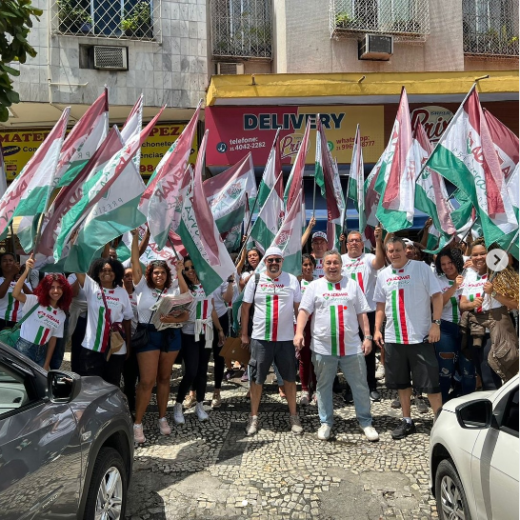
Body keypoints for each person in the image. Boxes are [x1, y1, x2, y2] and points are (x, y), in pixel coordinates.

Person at [294, 250, 379, 442]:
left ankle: (365, 422)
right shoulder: (314, 286)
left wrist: (367, 337)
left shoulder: (353, 285)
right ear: (322, 266)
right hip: (323, 348)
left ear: (341, 265)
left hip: (351, 347)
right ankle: (326, 422)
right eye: (328, 263)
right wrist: (299, 333)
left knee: (360, 386)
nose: (332, 266)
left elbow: (362, 313)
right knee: (323, 387)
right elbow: (303, 312)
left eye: (335, 263)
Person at [373, 236, 443, 439]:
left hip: (420, 337)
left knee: (431, 383)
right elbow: (380, 305)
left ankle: (439, 423)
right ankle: (407, 420)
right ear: (387, 253)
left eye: (397, 250)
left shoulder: (422, 268)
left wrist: (435, 324)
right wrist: (377, 329)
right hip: (394, 338)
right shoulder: (383, 275)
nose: (394, 254)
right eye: (390, 251)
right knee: (402, 383)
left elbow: (437, 296)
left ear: (406, 251)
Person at [130, 231, 189, 443]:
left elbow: (187, 300)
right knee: (146, 381)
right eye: (155, 273)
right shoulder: (141, 285)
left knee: (164, 378)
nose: (159, 276)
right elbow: (135, 260)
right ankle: (138, 423)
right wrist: (137, 238)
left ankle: (162, 417)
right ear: (150, 274)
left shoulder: (172, 287)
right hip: (148, 334)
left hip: (170, 334)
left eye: (162, 273)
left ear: (167, 275)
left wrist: (180, 273)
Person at [241, 246, 303, 436]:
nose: (274, 263)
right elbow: (245, 308)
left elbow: (298, 309)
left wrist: (299, 333)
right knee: (257, 379)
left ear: (282, 262)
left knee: (289, 379)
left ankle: (294, 416)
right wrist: (244, 334)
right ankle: (253, 417)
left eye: (277, 260)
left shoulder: (291, 280)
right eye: (270, 260)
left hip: (285, 339)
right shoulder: (256, 280)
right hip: (261, 338)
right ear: (265, 262)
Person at [459, 239, 518, 390]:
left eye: (482, 254)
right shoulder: (470, 276)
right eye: (475, 255)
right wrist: (472, 305)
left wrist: (494, 293)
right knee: (481, 372)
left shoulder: (500, 275)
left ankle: (498, 411)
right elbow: (462, 304)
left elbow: (515, 304)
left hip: (496, 330)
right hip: (475, 331)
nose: (478, 257)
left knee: (490, 375)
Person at [173, 257, 225, 424]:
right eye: (186, 269)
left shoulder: (207, 286)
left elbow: (212, 310)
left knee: (203, 371)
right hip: (190, 332)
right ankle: (178, 404)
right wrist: (179, 272)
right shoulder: (183, 287)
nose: (190, 271)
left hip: (207, 331)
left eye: (192, 267)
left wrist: (220, 329)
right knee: (191, 371)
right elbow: (183, 296)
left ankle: (200, 405)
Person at [341, 227, 385, 403]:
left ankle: (371, 386)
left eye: (357, 240)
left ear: (362, 243)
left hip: (369, 311)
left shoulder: (368, 258)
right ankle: (351, 387)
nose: (354, 243)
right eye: (351, 240)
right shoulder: (341, 259)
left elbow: (380, 263)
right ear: (346, 244)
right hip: (348, 313)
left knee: (369, 350)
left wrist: (379, 241)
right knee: (351, 352)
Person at [76, 258, 133, 386]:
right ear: (97, 272)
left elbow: (127, 320)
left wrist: (128, 344)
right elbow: (77, 268)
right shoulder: (91, 287)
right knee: (89, 387)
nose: (106, 272)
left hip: (116, 348)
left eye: (110, 270)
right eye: (103, 270)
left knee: (112, 386)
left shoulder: (122, 293)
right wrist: (74, 246)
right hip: (92, 347)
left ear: (116, 273)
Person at [11, 256, 71, 370]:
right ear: (46, 289)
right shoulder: (35, 301)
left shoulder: (61, 314)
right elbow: (16, 294)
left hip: (42, 352)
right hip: (24, 348)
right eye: (52, 287)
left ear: (64, 290)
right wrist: (26, 271)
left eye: (59, 287)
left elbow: (53, 340)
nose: (56, 291)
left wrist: (46, 363)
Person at [433, 248, 475, 402]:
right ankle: (442, 406)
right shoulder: (437, 280)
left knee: (468, 371)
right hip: (446, 329)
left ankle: (468, 406)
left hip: (468, 329)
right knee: (445, 371)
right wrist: (454, 287)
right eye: (443, 264)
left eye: (450, 262)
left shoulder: (470, 275)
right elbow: (437, 304)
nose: (447, 266)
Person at [298, 254, 317, 405]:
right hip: (301, 326)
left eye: (310, 264)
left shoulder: (319, 283)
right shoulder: (297, 283)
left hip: (316, 326)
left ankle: (316, 389)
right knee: (304, 359)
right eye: (305, 264)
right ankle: (305, 389)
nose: (308, 267)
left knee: (316, 358)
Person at [0, 252, 32, 330]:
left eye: (11, 260)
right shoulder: (0, 280)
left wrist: (21, 282)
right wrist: (11, 274)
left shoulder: (24, 281)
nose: (8, 263)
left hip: (20, 322)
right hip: (2, 320)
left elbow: (32, 299)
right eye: (4, 261)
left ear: (16, 264)